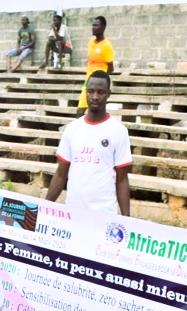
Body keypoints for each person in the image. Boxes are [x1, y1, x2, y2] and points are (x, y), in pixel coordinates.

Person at [46, 71, 132, 217]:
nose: (95, 97)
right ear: (85, 92)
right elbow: (61, 175)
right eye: (91, 91)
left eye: (101, 92)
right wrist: (43, 208)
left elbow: (122, 180)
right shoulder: (72, 128)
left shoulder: (119, 131)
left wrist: (126, 219)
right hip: (72, 214)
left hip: (103, 216)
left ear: (109, 94)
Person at [77, 16, 115, 117]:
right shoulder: (90, 42)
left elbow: (111, 67)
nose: (93, 27)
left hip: (99, 84)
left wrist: (101, 79)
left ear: (103, 27)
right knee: (80, 111)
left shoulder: (107, 46)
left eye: (96, 25)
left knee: (96, 111)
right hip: (88, 81)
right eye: (93, 25)